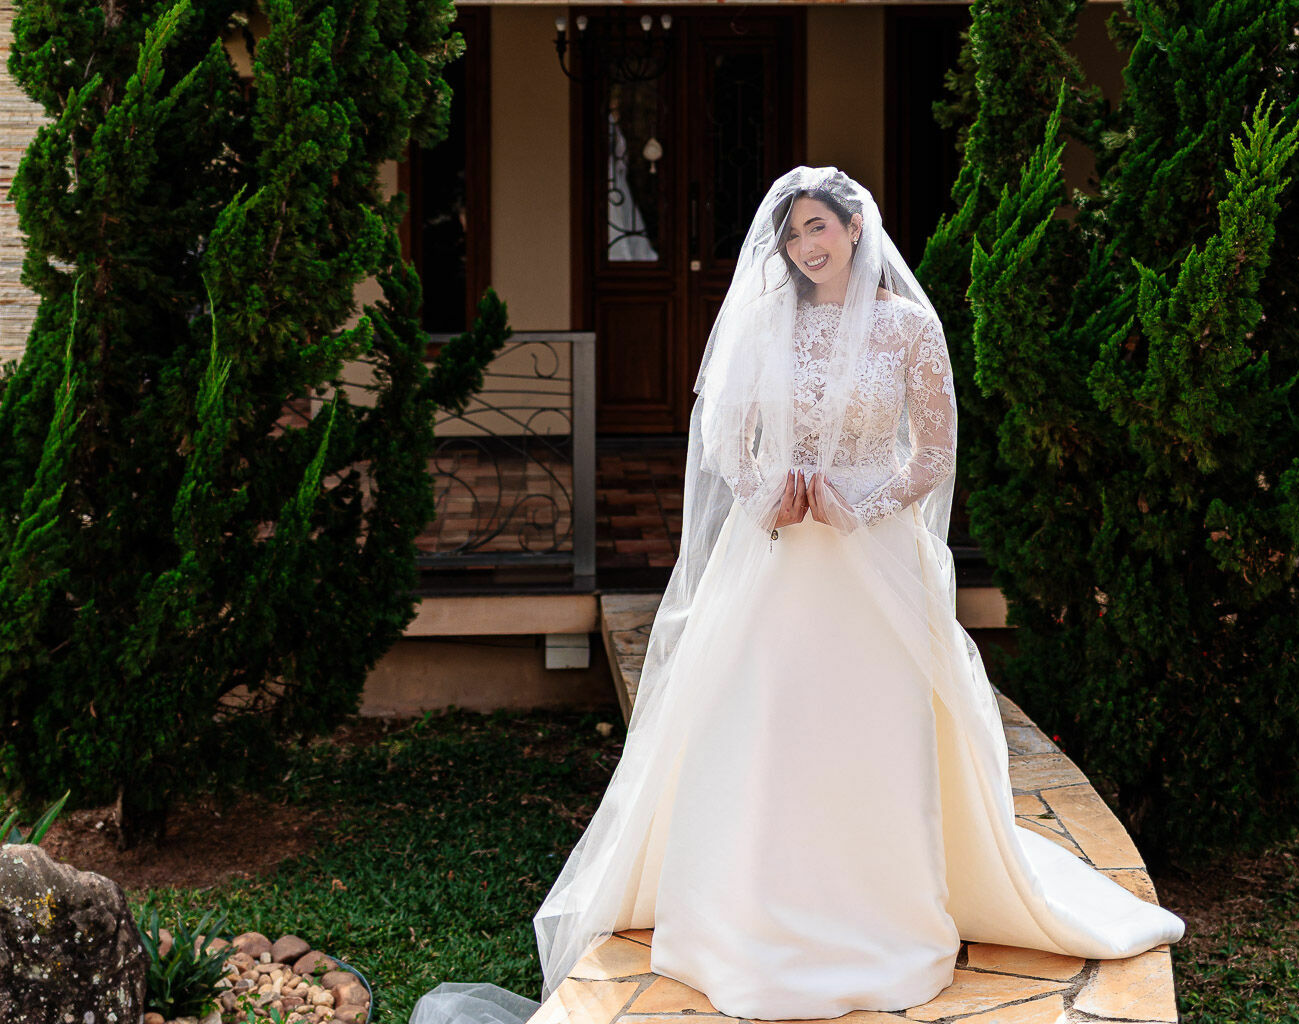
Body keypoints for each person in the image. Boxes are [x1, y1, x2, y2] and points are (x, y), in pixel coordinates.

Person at [410, 167, 1184, 1024]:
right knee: (770, 721)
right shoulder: (766, 323)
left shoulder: (908, 330)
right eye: (791, 234)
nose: (805, 247)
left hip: (871, 561)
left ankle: (876, 911)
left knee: (872, 727)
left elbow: (933, 457)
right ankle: (750, 916)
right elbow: (723, 438)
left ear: (856, 229)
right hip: (777, 560)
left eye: (818, 227)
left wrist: (861, 505)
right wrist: (761, 491)